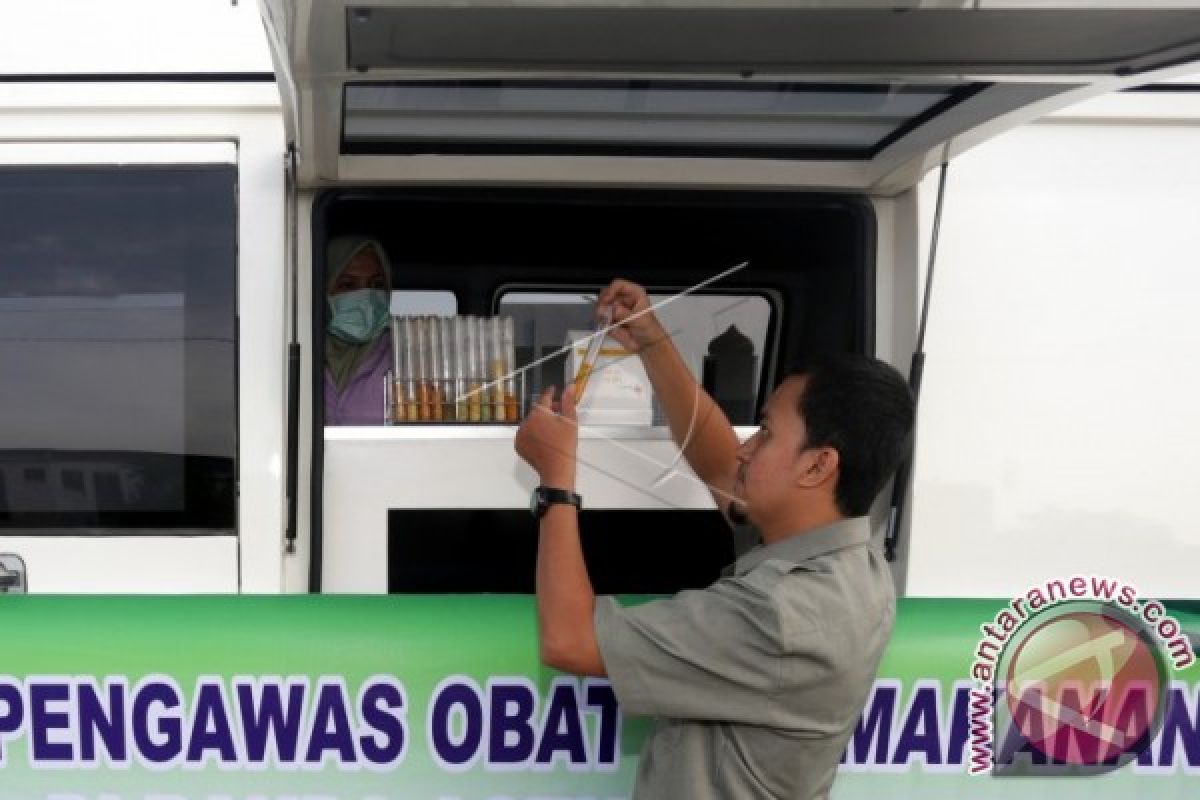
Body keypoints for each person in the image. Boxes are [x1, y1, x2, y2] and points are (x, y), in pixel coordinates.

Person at [514, 279, 915, 800]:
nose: (747, 448)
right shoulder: (847, 561)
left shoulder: (781, 614)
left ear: (819, 466)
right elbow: (722, 461)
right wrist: (652, 341)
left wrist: (556, 481)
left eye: (767, 432)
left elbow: (569, 640)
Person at [324, 236, 392, 425]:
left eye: (377, 285)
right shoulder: (301, 351)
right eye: (348, 285)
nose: (366, 298)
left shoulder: (405, 358)